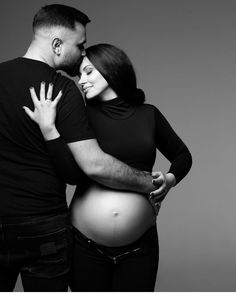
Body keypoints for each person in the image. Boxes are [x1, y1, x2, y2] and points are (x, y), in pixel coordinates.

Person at [0, 5, 163, 292]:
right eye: (80, 44)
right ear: (57, 44)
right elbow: (88, 168)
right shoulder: (60, 89)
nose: (81, 52)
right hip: (44, 226)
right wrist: (149, 184)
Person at [24, 43, 192, 291]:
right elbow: (70, 173)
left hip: (140, 246)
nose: (82, 81)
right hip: (85, 245)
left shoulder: (149, 114)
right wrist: (49, 129)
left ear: (111, 70)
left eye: (89, 72)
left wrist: (170, 179)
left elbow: (182, 155)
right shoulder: (79, 116)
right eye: (80, 74)